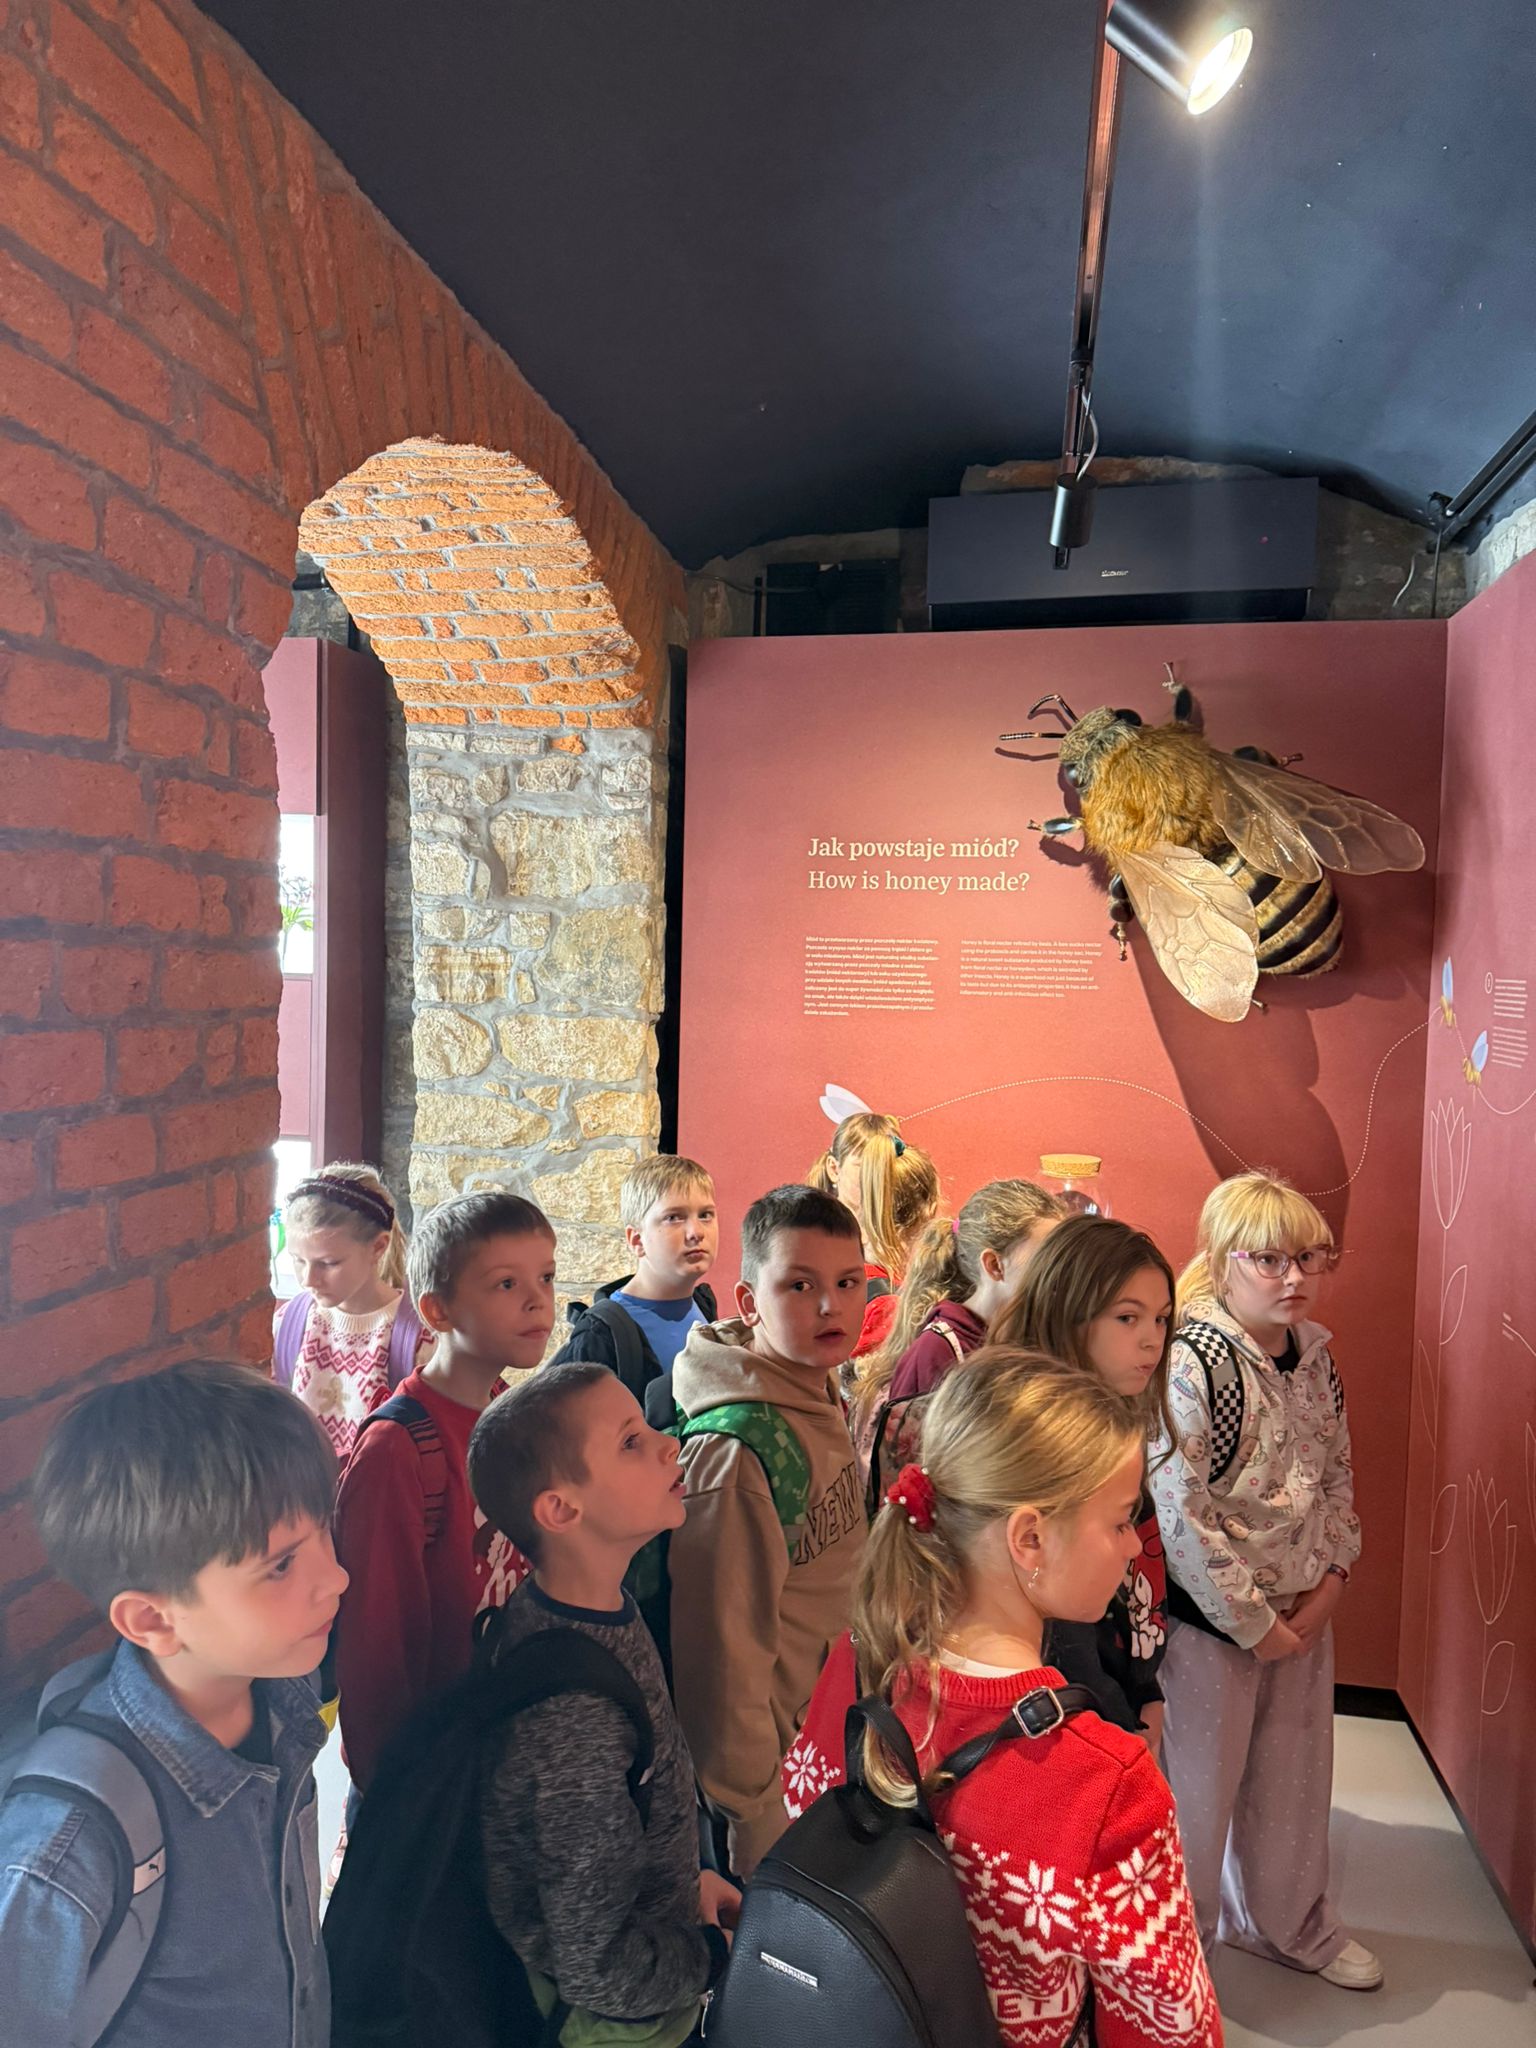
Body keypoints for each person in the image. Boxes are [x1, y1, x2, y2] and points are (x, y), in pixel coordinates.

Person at [785, 1351, 1221, 2048]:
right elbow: (1167, 2027)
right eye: (1119, 1522)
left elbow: (802, 1821)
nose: (1129, 1548)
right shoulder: (1107, 1782)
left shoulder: (859, 1663)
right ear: (1029, 1538)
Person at [0, 1361, 345, 2048]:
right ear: (153, 1620)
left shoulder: (286, 1697)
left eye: (325, 1532)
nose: (335, 1577)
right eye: (281, 1565)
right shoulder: (69, 1845)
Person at [1151, 1170, 1379, 1990]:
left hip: (1305, 1607)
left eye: (1310, 1258)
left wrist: (1334, 1576)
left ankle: (1286, 1923)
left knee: (1294, 1777)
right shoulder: (1194, 1361)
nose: (1294, 1278)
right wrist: (1250, 1620)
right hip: (1212, 1624)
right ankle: (1178, 1959)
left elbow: (1337, 1472)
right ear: (1224, 1259)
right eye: (1271, 1260)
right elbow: (1179, 1508)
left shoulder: (1313, 1357)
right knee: (1197, 1792)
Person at [466, 1362, 739, 2047]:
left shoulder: (598, 1606)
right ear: (561, 1510)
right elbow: (596, 1965)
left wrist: (689, 1885)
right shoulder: (572, 1719)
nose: (669, 1445)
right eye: (630, 1442)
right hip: (619, 2028)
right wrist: (712, 1955)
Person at [667, 1183, 868, 1876]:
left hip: (824, 1741)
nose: (830, 1306)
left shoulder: (816, 1383)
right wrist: (751, 1813)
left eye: (847, 1283)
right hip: (769, 1788)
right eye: (800, 1285)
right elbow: (721, 1660)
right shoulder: (737, 1452)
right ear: (749, 1302)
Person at [331, 1189, 554, 1791]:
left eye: (546, 1277)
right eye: (506, 1283)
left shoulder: (509, 1412)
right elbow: (374, 1647)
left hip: (500, 1744)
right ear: (438, 1311)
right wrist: (395, 1790)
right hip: (429, 1771)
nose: (538, 1299)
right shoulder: (398, 1450)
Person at [992, 1215, 1176, 1749]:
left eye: (1162, 1319)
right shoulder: (1043, 1443)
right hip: (1074, 1715)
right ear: (1066, 1313)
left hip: (1124, 1690)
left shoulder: (1114, 1421)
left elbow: (1135, 1578)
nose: (1152, 1340)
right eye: (1127, 1317)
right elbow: (1061, 1624)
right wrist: (1117, 1720)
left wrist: (1148, 1689)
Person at [850, 1177, 1064, 1476]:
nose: (1062, 1273)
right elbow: (907, 1476)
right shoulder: (938, 1351)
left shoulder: (1027, 1336)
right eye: (1048, 1260)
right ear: (994, 1265)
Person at [275, 1163, 429, 1465]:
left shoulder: (419, 1340)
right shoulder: (288, 1324)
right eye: (298, 1260)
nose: (308, 1279)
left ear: (378, 1247)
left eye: (328, 1263)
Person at [553, 1154, 720, 1400]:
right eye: (673, 1217)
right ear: (637, 1240)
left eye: (705, 1215)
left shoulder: (704, 1305)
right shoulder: (599, 1337)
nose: (696, 1232)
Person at [808, 1110, 939, 1366]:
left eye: (882, 1168)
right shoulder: (810, 1243)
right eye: (864, 1167)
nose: (876, 1180)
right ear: (834, 1168)